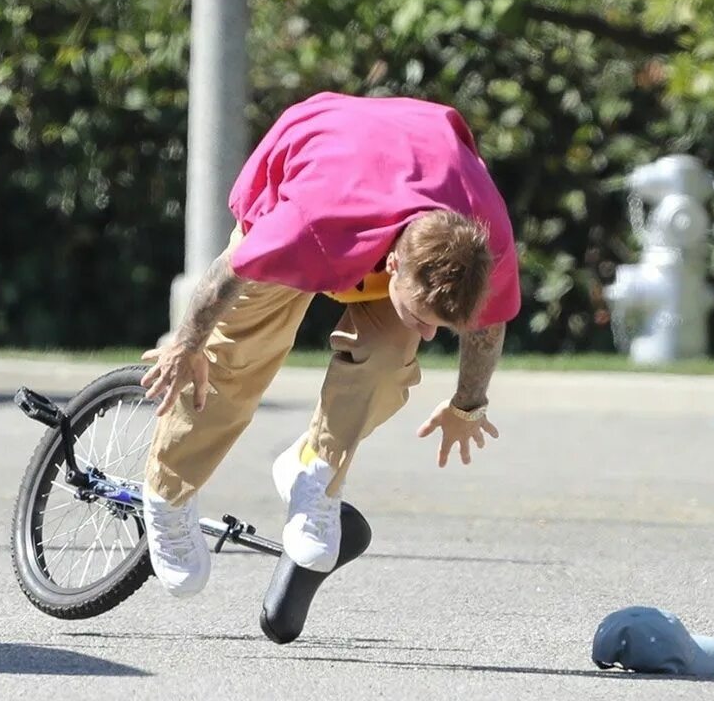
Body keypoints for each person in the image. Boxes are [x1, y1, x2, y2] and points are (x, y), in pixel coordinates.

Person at [139, 92, 522, 597]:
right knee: (232, 361)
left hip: (411, 166)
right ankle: (166, 496)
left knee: (389, 358)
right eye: (422, 317)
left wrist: (467, 405)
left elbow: (489, 325)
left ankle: (314, 469)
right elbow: (228, 272)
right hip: (326, 176)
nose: (429, 335)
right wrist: (187, 343)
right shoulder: (311, 223)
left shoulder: (485, 242)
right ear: (393, 265)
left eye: (439, 328)